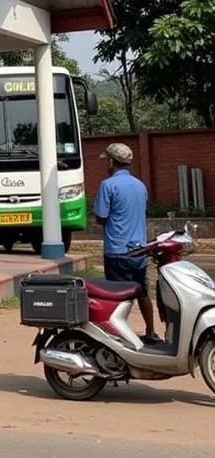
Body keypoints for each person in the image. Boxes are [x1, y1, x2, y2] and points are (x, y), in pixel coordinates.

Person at [95, 142, 158, 343]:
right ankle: (150, 330)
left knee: (116, 296)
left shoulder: (108, 185)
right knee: (142, 291)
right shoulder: (140, 185)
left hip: (117, 250)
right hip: (139, 250)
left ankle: (116, 335)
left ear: (112, 162)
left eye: (107, 161)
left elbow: (101, 216)